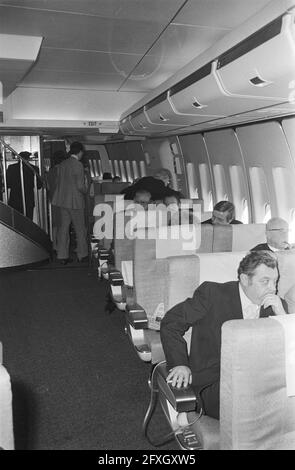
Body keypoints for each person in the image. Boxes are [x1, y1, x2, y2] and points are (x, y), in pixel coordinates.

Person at [160, 250, 288, 420]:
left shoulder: (277, 306)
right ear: (244, 279)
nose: (273, 288)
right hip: (216, 381)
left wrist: (281, 316)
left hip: (262, 381)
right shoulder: (212, 294)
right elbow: (171, 323)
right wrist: (180, 364)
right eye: (265, 281)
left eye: (275, 281)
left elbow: (288, 354)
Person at [52, 141, 88, 264]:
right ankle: (82, 255)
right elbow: (80, 186)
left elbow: (59, 182)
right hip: (75, 202)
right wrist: (86, 190)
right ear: (80, 152)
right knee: (80, 229)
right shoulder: (78, 165)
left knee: (63, 229)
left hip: (62, 201)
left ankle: (62, 256)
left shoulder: (62, 164)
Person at [6, 151, 42, 220]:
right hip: (28, 199)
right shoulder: (34, 169)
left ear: (19, 158)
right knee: (28, 221)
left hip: (14, 199)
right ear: (28, 158)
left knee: (15, 222)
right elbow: (39, 185)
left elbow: (8, 184)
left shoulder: (11, 168)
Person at [46, 150, 66, 251]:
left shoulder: (50, 172)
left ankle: (54, 245)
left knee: (55, 224)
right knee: (63, 225)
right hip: (63, 201)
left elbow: (48, 187)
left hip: (53, 200)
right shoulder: (64, 171)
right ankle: (61, 246)